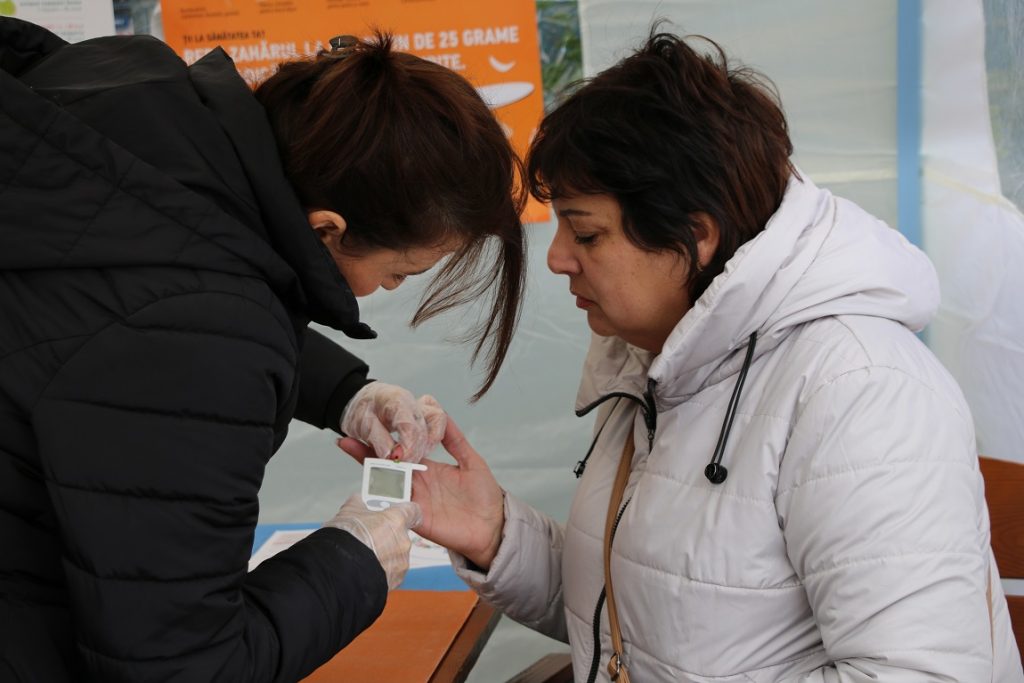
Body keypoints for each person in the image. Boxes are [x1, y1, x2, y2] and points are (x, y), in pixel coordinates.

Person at [366, 30, 1024, 682]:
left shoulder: (862, 391)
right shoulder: (662, 359)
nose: (558, 258)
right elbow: (644, 622)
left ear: (696, 235)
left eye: (586, 233)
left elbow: (923, 673)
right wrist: (496, 533)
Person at [0, 18, 525, 682]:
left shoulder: (130, 112)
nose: (384, 291)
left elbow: (129, 296)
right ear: (327, 229)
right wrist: (356, 560)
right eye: (398, 274)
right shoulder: (201, 338)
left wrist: (344, 392)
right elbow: (182, 666)